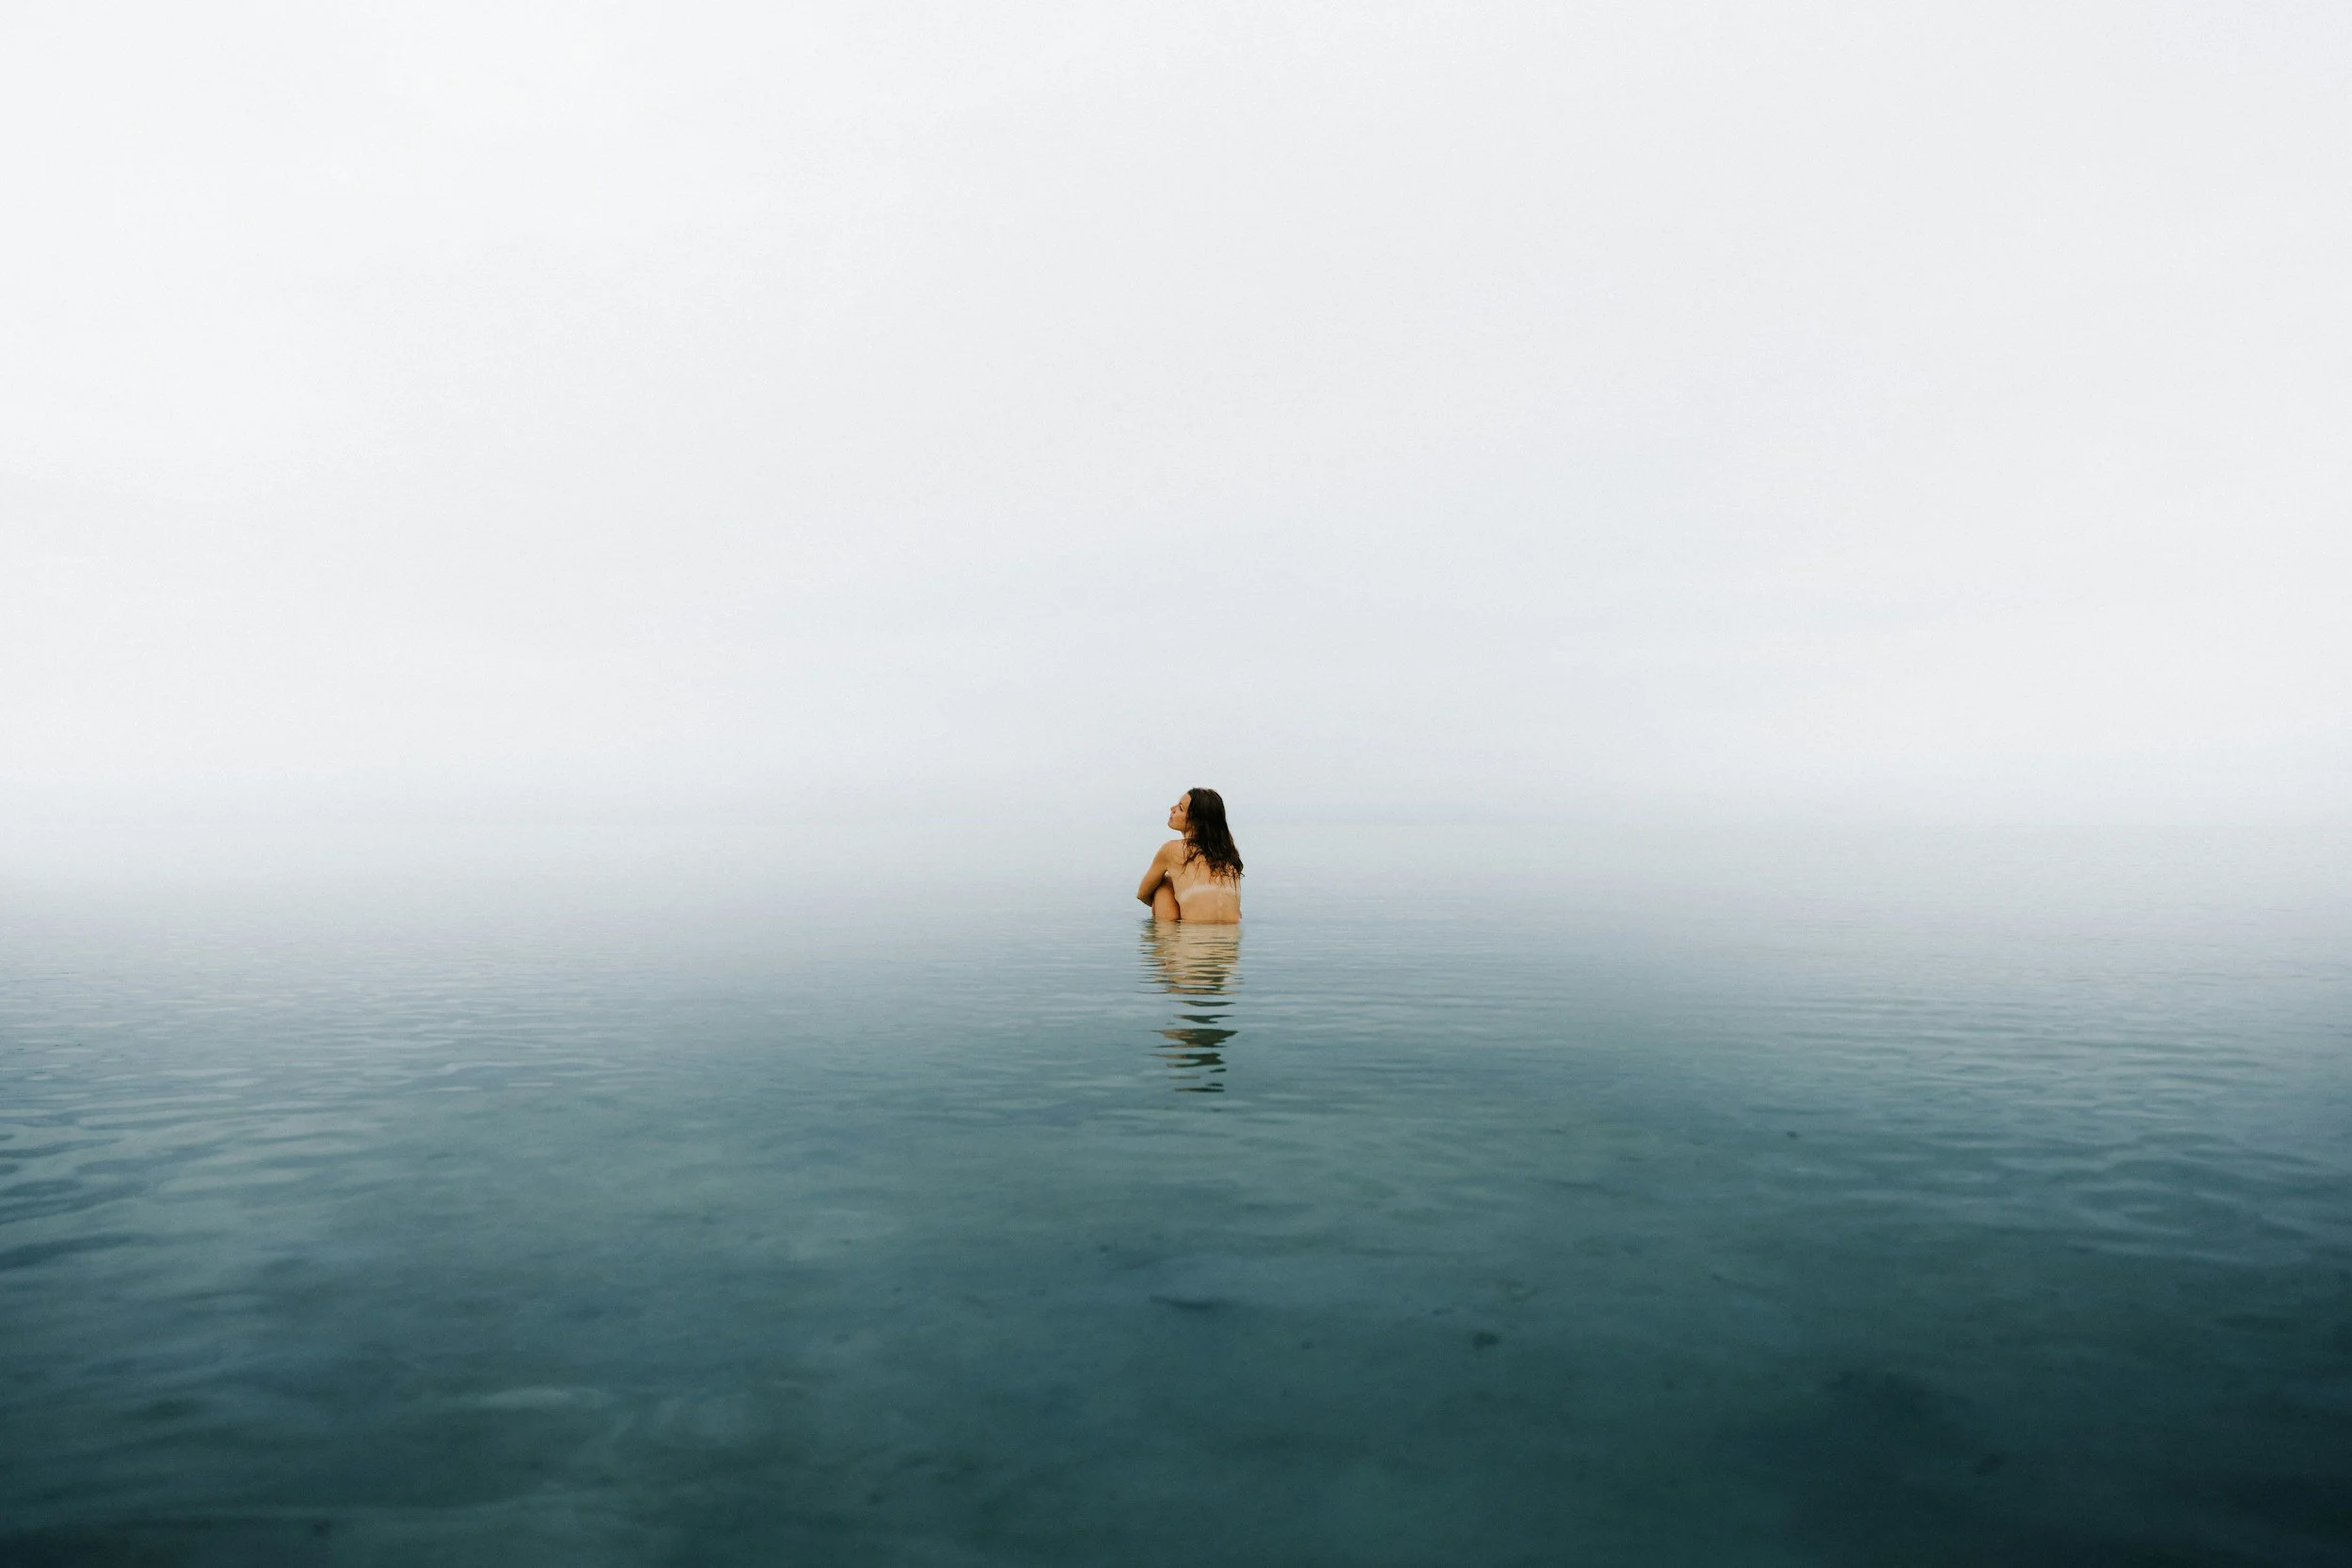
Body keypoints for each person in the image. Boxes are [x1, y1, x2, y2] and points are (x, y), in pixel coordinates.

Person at [1136, 788, 1243, 924]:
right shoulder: (1229, 854)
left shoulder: (1171, 849)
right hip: (1230, 941)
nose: (1172, 808)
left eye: (1180, 808)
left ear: (1196, 821)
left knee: (1164, 883)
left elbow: (1143, 894)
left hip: (1190, 939)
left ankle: (1165, 937)